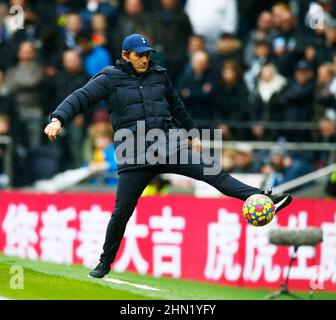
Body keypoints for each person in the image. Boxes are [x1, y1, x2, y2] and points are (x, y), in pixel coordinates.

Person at [44, 33, 292, 278]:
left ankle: (265, 199)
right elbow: (80, 97)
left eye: (147, 55)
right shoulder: (109, 78)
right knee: (121, 213)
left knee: (215, 174)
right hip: (135, 155)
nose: (144, 60)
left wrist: (193, 134)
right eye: (139, 55)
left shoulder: (159, 75)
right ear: (125, 56)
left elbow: (177, 107)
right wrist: (58, 118)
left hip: (170, 146)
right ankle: (104, 262)